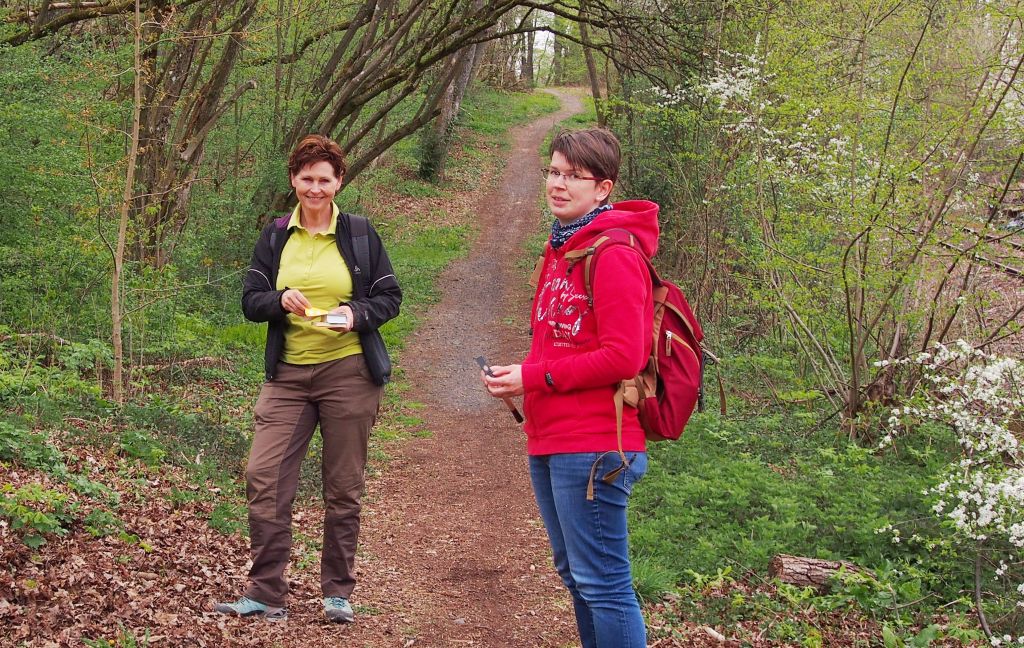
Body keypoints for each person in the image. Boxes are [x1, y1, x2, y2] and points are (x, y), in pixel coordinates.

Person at [217, 134, 402, 623]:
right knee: (265, 476)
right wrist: (279, 299)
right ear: (293, 180)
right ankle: (266, 592)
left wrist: (354, 314)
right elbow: (250, 300)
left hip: (349, 373)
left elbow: (389, 297)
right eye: (306, 179)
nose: (315, 188)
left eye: (324, 179)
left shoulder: (359, 233)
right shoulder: (276, 235)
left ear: (339, 181)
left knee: (342, 486)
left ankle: (337, 593)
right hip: (288, 377)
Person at [482, 128, 654, 647]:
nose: (558, 184)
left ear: (602, 189)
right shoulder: (561, 249)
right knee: (576, 577)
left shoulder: (615, 252)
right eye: (554, 172)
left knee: (604, 584)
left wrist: (533, 376)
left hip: (596, 443)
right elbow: (560, 341)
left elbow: (627, 355)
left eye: (573, 176)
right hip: (552, 435)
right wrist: (522, 373)